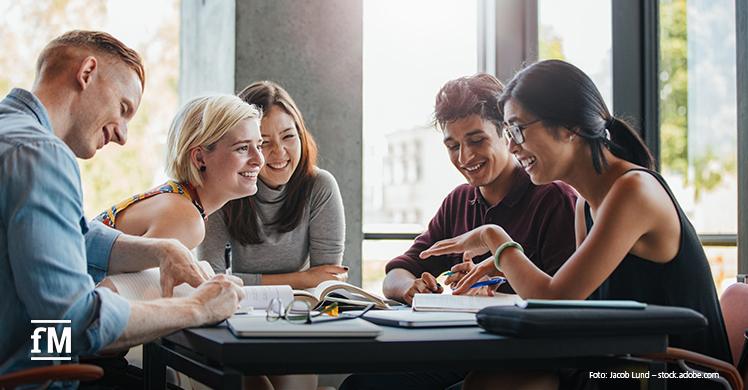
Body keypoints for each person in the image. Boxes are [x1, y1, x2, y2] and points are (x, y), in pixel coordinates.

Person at [420, 60, 731, 390]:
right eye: (509, 133)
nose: (512, 146)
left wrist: (494, 238)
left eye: (519, 130)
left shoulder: (632, 191)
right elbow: (573, 307)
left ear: (570, 126)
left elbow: (553, 301)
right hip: (622, 366)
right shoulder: (587, 202)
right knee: (486, 381)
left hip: (673, 373)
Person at [0, 30, 245, 388]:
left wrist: (161, 249)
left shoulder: (12, 136)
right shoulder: (41, 155)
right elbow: (76, 323)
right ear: (87, 73)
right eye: (123, 109)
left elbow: (68, 236)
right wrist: (197, 308)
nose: (123, 135)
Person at [340, 73, 577, 390]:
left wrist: (494, 293)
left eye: (477, 141)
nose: (465, 158)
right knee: (360, 386)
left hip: (526, 361)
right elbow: (396, 273)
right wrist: (412, 288)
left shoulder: (553, 199)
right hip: (464, 355)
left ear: (507, 134)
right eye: (453, 146)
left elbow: (564, 304)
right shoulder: (459, 201)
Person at [197, 81, 347, 390]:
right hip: (230, 322)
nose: (279, 153)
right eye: (263, 142)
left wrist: (306, 282)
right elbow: (211, 282)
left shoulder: (320, 186)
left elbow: (326, 284)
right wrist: (302, 278)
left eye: (288, 136)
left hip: (292, 321)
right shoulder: (223, 187)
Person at [95, 94, 264, 251]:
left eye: (259, 146)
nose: (259, 160)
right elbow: (120, 283)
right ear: (199, 158)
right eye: (242, 148)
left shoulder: (180, 200)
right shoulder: (185, 219)